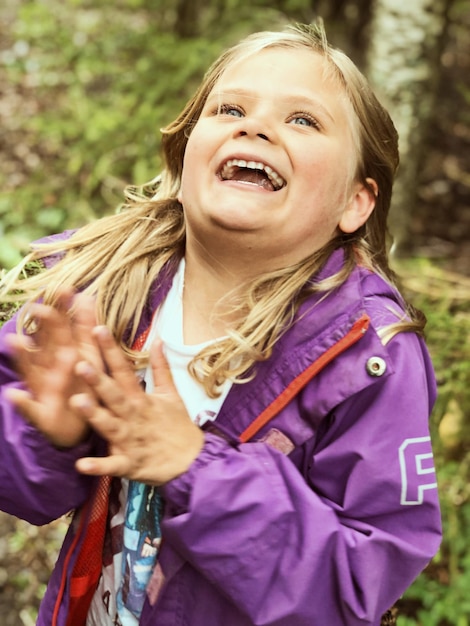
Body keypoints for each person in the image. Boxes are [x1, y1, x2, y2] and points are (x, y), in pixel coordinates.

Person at [0, 20, 441, 626]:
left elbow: (361, 583)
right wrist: (52, 435)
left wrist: (194, 467)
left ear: (354, 202)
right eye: (229, 107)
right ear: (184, 161)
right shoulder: (98, 284)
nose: (254, 126)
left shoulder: (367, 355)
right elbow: (19, 484)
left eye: (303, 120)